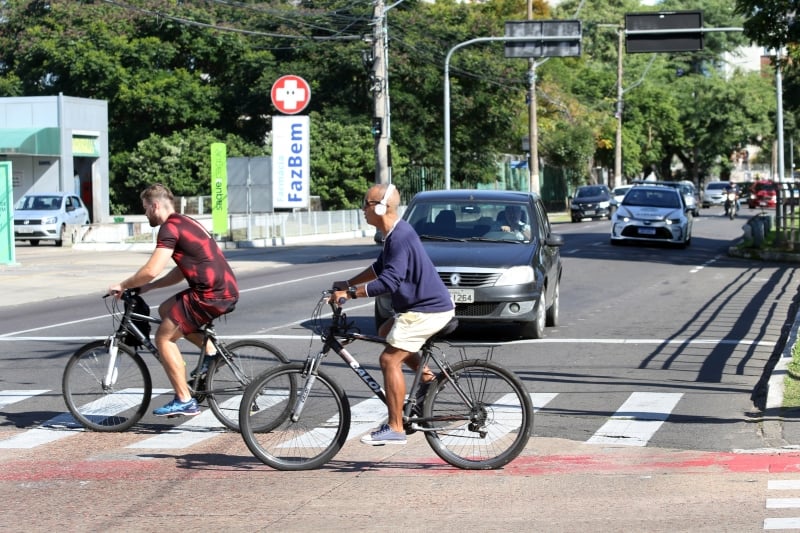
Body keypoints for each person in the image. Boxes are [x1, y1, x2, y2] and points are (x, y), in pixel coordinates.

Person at [331, 183, 455, 445]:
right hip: (422, 307)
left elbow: (389, 281)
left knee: (389, 360)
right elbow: (379, 268)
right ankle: (428, 380)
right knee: (386, 330)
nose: (362, 209)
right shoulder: (394, 234)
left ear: (380, 207)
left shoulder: (399, 236)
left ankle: (395, 427)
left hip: (426, 309)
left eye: (366, 203)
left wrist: (351, 294)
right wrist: (348, 283)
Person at [108, 184, 239, 417]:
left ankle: (184, 400)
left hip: (209, 294)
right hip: (222, 288)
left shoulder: (168, 228)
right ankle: (212, 353)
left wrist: (124, 284)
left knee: (164, 338)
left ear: (155, 206)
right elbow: (181, 270)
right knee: (166, 309)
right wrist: (149, 287)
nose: (145, 213)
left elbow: (151, 269)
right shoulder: (185, 222)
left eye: (145, 208)